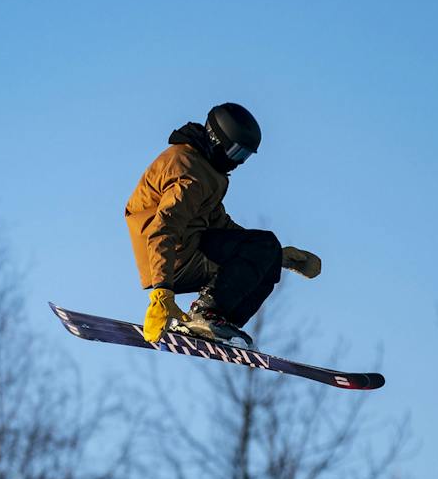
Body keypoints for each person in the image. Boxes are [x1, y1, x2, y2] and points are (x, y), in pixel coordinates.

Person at [124, 102, 322, 347]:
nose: (238, 162)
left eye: (245, 156)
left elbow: (219, 223)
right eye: (237, 153)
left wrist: (275, 256)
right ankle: (206, 313)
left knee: (266, 252)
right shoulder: (189, 172)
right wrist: (162, 292)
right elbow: (164, 228)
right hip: (170, 257)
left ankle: (216, 322)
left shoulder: (207, 170)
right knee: (263, 245)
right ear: (217, 141)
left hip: (184, 249)